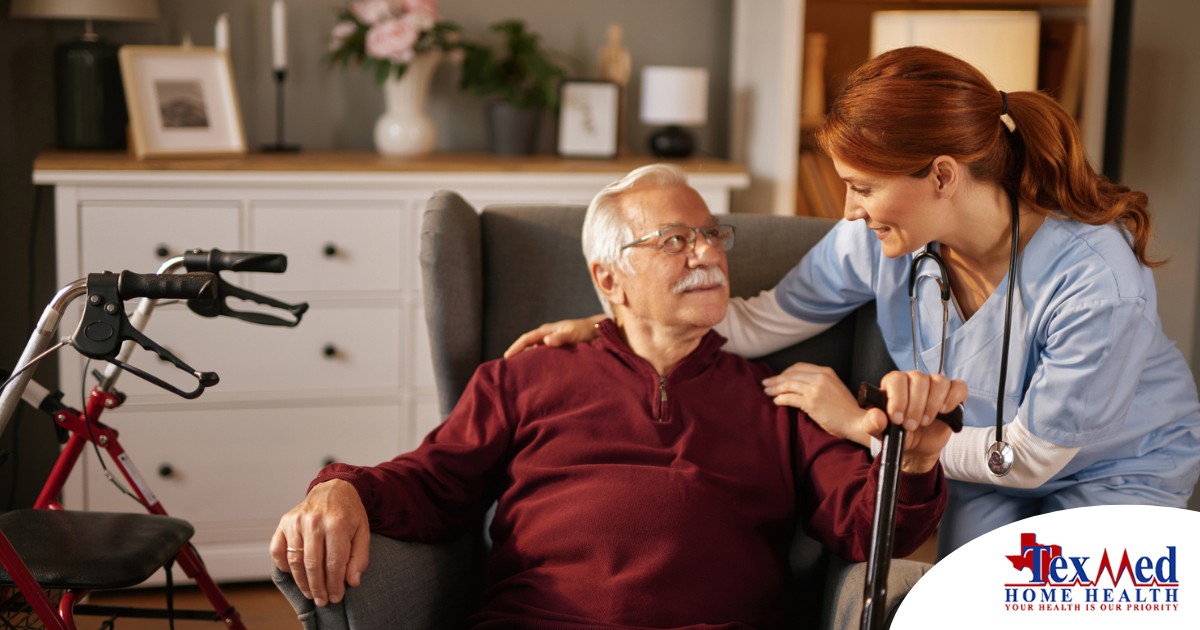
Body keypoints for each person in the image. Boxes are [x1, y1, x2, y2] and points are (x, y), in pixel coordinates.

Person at [504, 46, 1200, 558]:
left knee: (1042, 605)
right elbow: (755, 320)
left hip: (1116, 466)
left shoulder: (1095, 283)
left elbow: (1030, 458)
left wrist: (860, 424)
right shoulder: (876, 240)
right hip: (977, 460)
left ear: (942, 176)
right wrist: (618, 323)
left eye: (863, 186)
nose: (847, 208)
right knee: (960, 600)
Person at [271, 163, 954, 628]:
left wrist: (917, 460)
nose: (707, 255)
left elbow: (868, 525)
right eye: (675, 241)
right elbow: (432, 482)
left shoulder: (779, 397)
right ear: (611, 277)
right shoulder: (523, 377)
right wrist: (340, 488)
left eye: (713, 235)